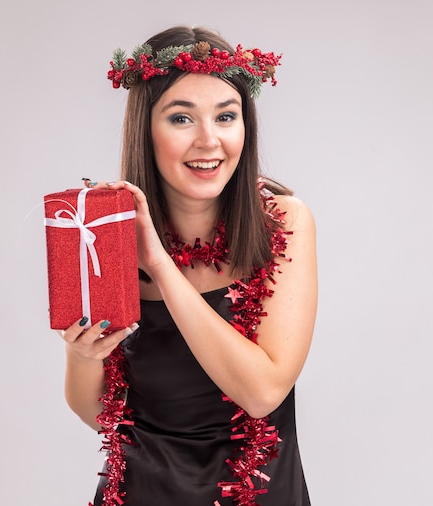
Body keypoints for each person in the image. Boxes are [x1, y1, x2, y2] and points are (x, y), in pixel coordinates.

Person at [58, 25, 317, 506]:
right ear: (146, 130)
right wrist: (81, 355)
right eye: (181, 119)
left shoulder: (283, 224)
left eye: (226, 116)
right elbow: (103, 415)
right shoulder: (103, 233)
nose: (209, 140)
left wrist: (157, 262)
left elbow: (262, 393)